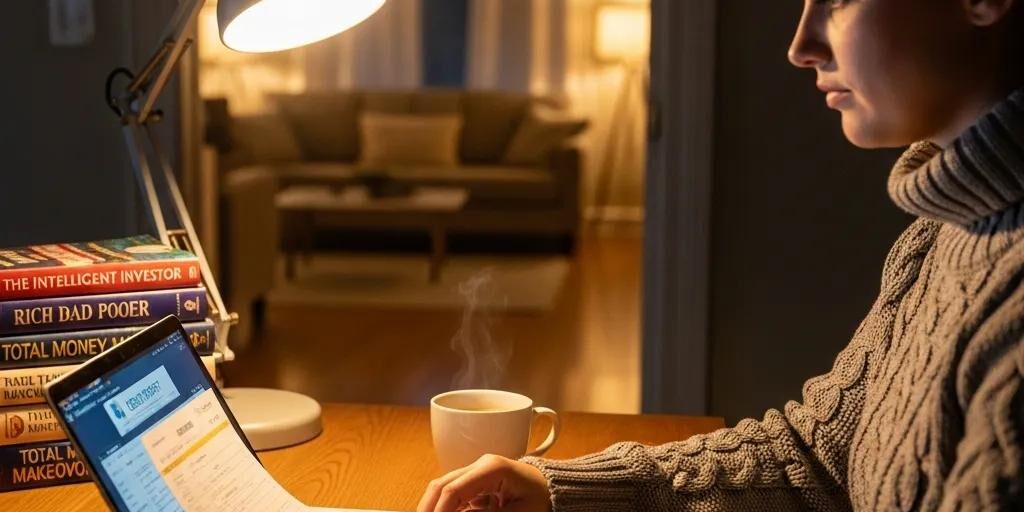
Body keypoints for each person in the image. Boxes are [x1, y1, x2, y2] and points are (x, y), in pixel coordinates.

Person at [417, 0, 1024, 510]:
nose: (800, 45)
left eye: (837, 0)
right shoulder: (941, 232)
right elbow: (813, 456)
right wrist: (563, 488)